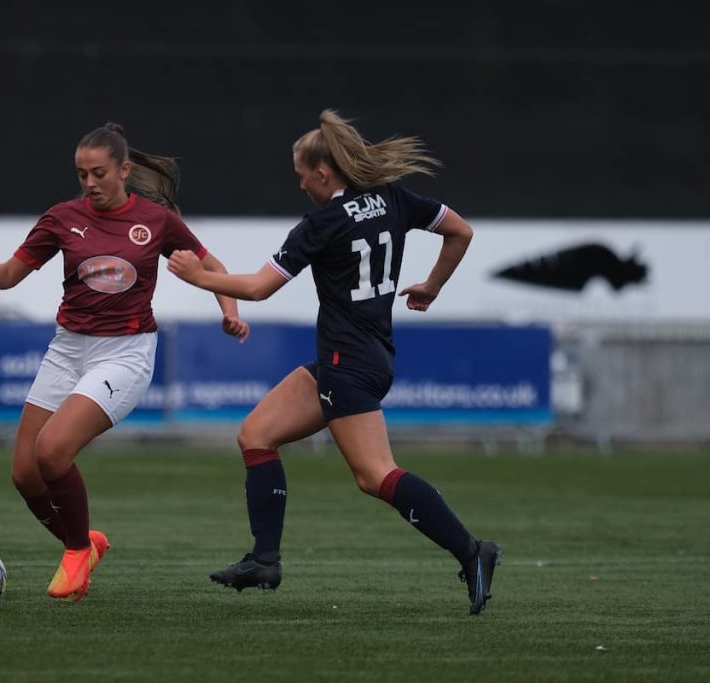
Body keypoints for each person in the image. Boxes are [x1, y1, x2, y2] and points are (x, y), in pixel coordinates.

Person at [167, 109, 501, 615]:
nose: (300, 184)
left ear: (323, 172)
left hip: (348, 365)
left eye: (302, 174)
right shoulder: (392, 197)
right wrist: (432, 286)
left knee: (375, 475)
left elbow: (258, 288)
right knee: (256, 435)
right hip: (360, 357)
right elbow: (461, 231)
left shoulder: (322, 223)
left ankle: (472, 552)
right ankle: (264, 560)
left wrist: (198, 278)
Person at [0, 122, 249, 603]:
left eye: (99, 173)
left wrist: (229, 312)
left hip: (125, 353)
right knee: (25, 473)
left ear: (124, 170)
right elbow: (9, 275)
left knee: (52, 451)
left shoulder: (156, 221)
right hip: (68, 349)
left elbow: (212, 267)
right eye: (81, 174)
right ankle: (86, 543)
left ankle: (75, 552)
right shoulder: (61, 218)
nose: (89, 183)